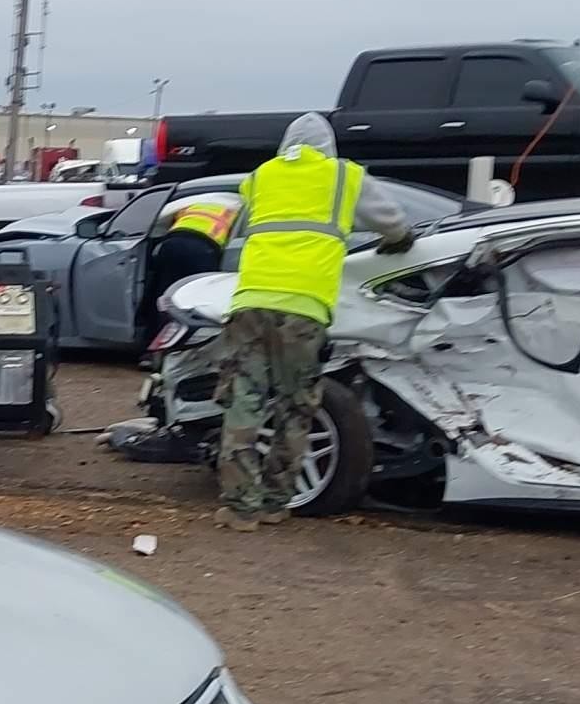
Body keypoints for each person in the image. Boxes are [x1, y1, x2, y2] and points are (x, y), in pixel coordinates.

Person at [216, 113, 413, 529]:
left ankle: (240, 508)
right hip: (303, 308)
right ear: (330, 147)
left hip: (250, 302)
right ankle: (273, 503)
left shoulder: (261, 176)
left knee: (243, 403)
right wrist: (400, 242)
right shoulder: (343, 176)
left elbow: (252, 222)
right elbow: (391, 222)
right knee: (294, 406)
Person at [139, 192, 241, 344]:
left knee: (163, 296)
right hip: (203, 248)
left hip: (172, 244)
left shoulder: (192, 204)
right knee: (194, 301)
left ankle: (150, 346)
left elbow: (159, 224)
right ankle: (183, 344)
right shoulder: (235, 208)